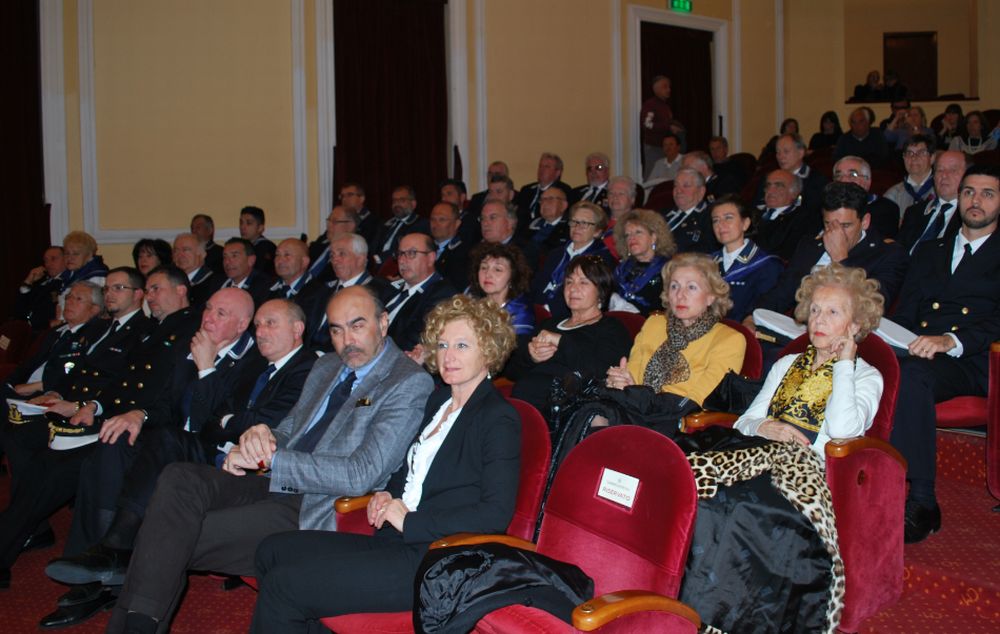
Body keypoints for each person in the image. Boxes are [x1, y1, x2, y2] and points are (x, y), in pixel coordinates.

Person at [102, 286, 434, 632]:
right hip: (274, 481)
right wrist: (260, 439)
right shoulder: (326, 366)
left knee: (165, 533)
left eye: (357, 325)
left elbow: (360, 474)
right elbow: (292, 428)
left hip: (319, 504)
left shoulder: (407, 382)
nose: (346, 339)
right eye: (336, 329)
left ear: (383, 323)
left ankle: (137, 624)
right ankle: (140, 622)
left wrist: (275, 461)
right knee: (178, 477)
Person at [249, 295, 520, 631]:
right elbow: (406, 470)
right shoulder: (439, 400)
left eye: (462, 345)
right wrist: (387, 495)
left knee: (284, 585)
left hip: (434, 557)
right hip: (395, 542)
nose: (448, 356)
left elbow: (495, 514)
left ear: (489, 350)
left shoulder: (498, 417)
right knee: (272, 550)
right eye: (442, 344)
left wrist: (410, 520)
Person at [889, 164, 1000, 544]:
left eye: (988, 194)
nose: (975, 201)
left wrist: (950, 340)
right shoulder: (931, 250)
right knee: (865, 365)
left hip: (972, 359)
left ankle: (922, 500)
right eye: (969, 192)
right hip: (918, 349)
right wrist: (885, 336)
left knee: (911, 378)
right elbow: (906, 313)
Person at [735, 263, 884, 457]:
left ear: (856, 325)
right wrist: (765, 427)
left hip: (809, 475)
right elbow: (743, 423)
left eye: (832, 312)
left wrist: (844, 364)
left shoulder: (865, 376)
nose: (819, 320)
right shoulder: (786, 363)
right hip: (760, 457)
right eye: (814, 310)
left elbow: (842, 432)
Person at [606, 252, 746, 408]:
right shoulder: (654, 324)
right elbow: (631, 379)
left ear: (711, 297)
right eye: (674, 286)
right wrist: (621, 381)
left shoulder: (729, 340)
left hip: (676, 422)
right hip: (634, 409)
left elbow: (699, 401)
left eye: (691, 287)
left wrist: (639, 397)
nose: (680, 295)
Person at [506, 256, 632, 415]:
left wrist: (561, 341)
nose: (573, 288)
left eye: (583, 282)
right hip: (523, 402)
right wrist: (531, 357)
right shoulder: (549, 324)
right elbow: (510, 369)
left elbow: (602, 370)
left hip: (566, 411)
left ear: (601, 291)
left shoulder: (612, 328)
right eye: (569, 282)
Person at [531, 201, 612, 319]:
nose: (577, 227)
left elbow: (587, 297)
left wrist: (545, 310)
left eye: (584, 223)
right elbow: (537, 284)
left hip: (567, 315)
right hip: (537, 309)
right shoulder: (556, 253)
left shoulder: (600, 260)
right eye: (574, 222)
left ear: (597, 231)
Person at [710, 196, 783, 321]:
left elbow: (762, 310)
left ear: (745, 224)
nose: (720, 225)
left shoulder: (767, 266)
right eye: (715, 220)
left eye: (728, 218)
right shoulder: (706, 263)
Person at [384, 233, 457, 355]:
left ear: (431, 258)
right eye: (400, 254)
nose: (402, 260)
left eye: (411, 253)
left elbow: (412, 341)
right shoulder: (390, 287)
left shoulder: (442, 294)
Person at [468, 242, 535, 343]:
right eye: (484, 267)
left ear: (512, 277)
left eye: (498, 270)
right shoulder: (473, 304)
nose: (488, 274)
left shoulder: (520, 313)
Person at [612, 209, 675, 315]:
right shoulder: (620, 270)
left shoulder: (668, 269)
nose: (632, 238)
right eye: (628, 235)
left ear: (653, 237)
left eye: (638, 232)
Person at [370, 185, 431, 268]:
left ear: (413, 204)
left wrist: (378, 259)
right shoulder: (385, 223)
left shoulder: (421, 224)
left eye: (402, 200)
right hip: (376, 266)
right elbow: (373, 246)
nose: (397, 204)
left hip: (399, 266)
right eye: (394, 200)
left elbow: (408, 249)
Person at [12, 245, 68, 330]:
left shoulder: (67, 283)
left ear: (66, 260)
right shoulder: (41, 282)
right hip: (25, 329)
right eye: (46, 260)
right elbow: (18, 310)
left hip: (44, 332)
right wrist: (28, 281)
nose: (48, 264)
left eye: (53, 259)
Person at [640, 75, 684, 179]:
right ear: (656, 89)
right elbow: (647, 124)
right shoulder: (650, 105)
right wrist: (668, 127)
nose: (669, 90)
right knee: (652, 177)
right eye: (665, 87)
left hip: (665, 148)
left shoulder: (665, 106)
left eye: (669, 87)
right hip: (654, 148)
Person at [883, 134, 936, 213]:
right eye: (909, 153)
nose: (914, 158)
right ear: (903, 158)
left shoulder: (941, 190)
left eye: (921, 153)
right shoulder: (893, 195)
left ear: (932, 158)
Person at [220, 237, 274, 307]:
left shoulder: (264, 286)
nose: (227, 261)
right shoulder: (217, 282)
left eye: (234, 256)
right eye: (225, 257)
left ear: (250, 260)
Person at [171, 233, 218, 309]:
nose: (179, 255)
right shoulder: (170, 281)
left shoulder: (213, 283)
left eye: (185, 250)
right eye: (176, 251)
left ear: (201, 254)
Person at [239, 206, 276, 276]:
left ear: (260, 228)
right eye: (241, 223)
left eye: (248, 223)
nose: (242, 227)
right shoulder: (241, 247)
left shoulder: (267, 248)